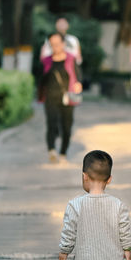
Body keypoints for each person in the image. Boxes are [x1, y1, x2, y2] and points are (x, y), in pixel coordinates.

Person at [39, 32, 82, 163]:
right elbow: (41, 79)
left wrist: (78, 84)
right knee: (51, 124)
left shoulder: (71, 58)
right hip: (51, 97)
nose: (55, 47)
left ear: (63, 44)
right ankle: (51, 150)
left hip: (68, 97)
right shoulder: (46, 61)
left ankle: (63, 153)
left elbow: (78, 75)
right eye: (52, 44)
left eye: (57, 44)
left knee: (67, 127)